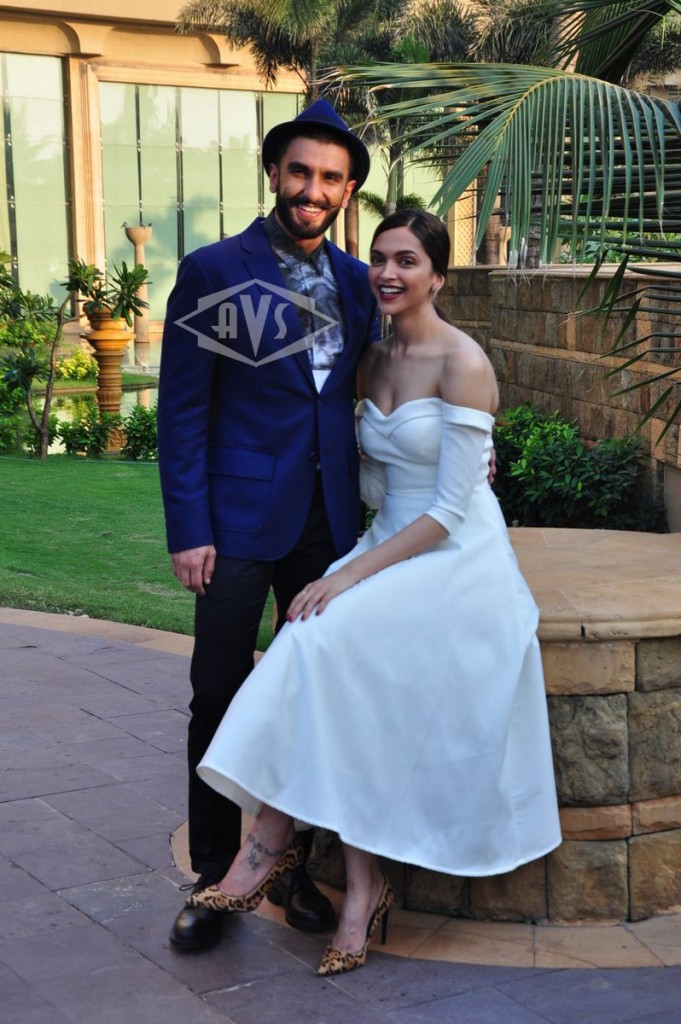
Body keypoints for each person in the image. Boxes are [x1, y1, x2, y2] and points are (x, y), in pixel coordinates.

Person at [185, 210, 563, 977]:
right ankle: (353, 883)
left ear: (438, 277)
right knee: (315, 644)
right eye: (380, 259)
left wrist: (348, 573)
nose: (388, 273)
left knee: (325, 639)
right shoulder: (369, 360)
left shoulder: (462, 362)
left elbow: (450, 509)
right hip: (389, 539)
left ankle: (269, 847)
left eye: (407, 261)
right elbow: (365, 471)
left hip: (455, 555)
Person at [157, 99, 380, 951]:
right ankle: (215, 873)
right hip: (235, 522)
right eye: (300, 172)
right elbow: (183, 410)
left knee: (313, 701)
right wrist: (189, 527)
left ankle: (291, 867)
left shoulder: (359, 283)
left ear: (347, 190)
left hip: (329, 527)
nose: (312, 189)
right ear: (275, 174)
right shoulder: (218, 270)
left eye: (330, 178)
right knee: (218, 691)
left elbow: (387, 378)